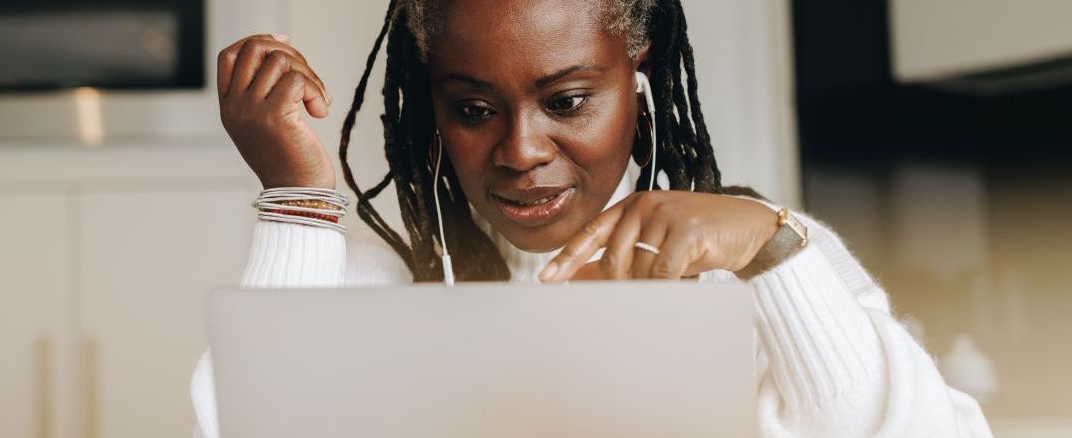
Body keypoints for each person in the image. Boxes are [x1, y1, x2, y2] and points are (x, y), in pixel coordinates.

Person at [193, 0, 994, 436]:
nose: (520, 150)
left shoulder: (766, 261)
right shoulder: (367, 286)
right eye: (473, 109)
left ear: (637, 81)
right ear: (427, 108)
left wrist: (776, 254)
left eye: (568, 101)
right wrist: (297, 197)